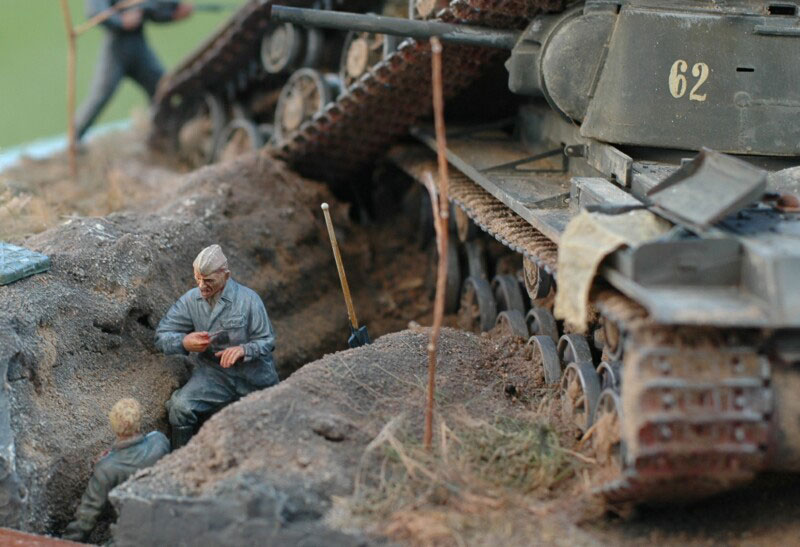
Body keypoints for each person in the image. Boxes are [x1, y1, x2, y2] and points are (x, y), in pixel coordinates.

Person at [155, 244, 279, 449]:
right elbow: (161, 337)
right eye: (198, 279)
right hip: (214, 374)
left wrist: (243, 350)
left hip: (254, 376)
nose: (202, 286)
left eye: (209, 280)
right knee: (180, 407)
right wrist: (184, 342)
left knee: (275, 417)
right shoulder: (190, 301)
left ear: (226, 275)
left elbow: (267, 340)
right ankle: (178, 461)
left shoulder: (249, 300)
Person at [74, 0, 194, 141]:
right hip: (116, 51)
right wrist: (121, 21)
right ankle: (75, 136)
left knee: (161, 88)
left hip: (139, 49)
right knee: (100, 96)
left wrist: (173, 13)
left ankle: (163, 131)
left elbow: (153, 10)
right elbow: (95, 12)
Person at [63, 398, 169, 542]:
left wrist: (64, 542)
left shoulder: (106, 468)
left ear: (114, 425)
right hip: (165, 521)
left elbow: (87, 516)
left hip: (133, 534)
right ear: (138, 423)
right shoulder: (159, 441)